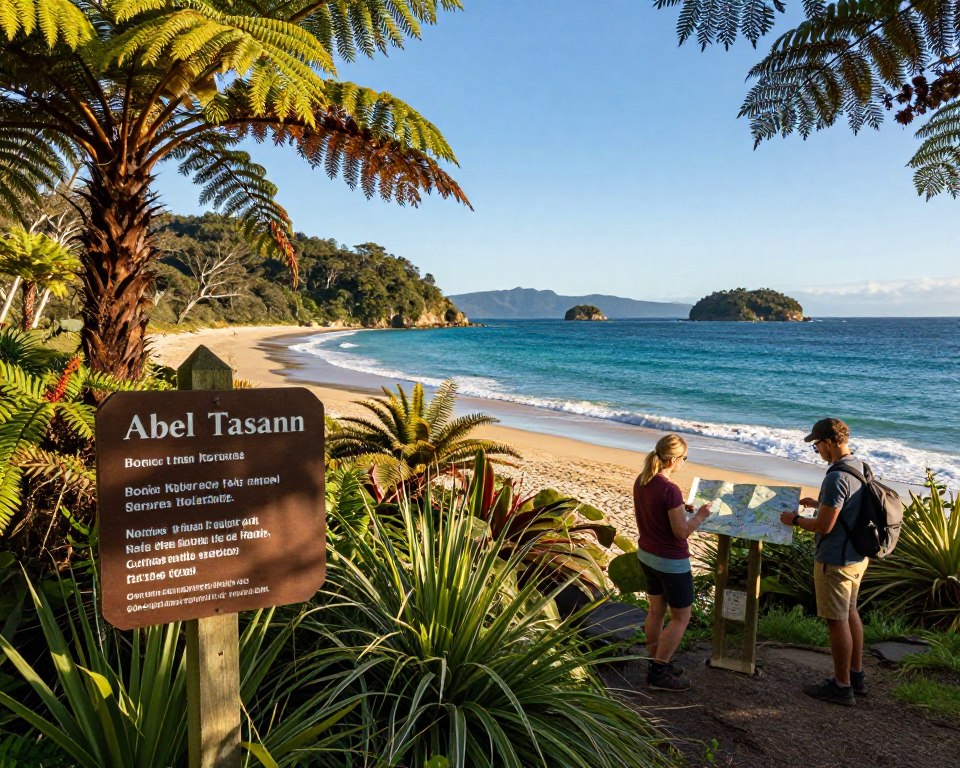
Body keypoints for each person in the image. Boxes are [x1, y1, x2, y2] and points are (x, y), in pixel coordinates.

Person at [780, 417, 868, 706]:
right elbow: (847, 509)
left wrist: (794, 519)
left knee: (836, 621)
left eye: (817, 445)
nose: (816, 450)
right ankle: (856, 675)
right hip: (857, 556)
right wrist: (819, 505)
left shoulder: (835, 477)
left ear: (829, 442)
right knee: (851, 612)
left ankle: (841, 687)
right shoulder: (860, 466)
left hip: (835, 559)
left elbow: (824, 527)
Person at [633, 433, 712, 691]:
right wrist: (700, 516)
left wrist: (681, 509)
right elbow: (681, 533)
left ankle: (657, 661)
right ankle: (658, 673)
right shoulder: (669, 489)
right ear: (674, 460)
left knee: (655, 611)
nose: (684, 463)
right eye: (684, 459)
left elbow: (657, 513)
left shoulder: (643, 481)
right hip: (671, 562)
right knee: (680, 618)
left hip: (647, 555)